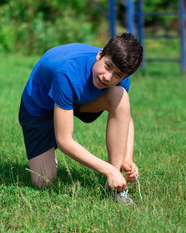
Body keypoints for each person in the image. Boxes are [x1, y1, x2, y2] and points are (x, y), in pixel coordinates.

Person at [18, 33, 143, 204]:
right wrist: (107, 170)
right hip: (40, 108)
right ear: (100, 54)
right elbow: (64, 141)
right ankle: (49, 150)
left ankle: (116, 190)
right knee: (43, 181)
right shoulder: (66, 72)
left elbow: (125, 116)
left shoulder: (120, 80)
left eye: (118, 75)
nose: (108, 77)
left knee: (120, 97)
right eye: (107, 66)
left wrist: (126, 160)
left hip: (77, 100)